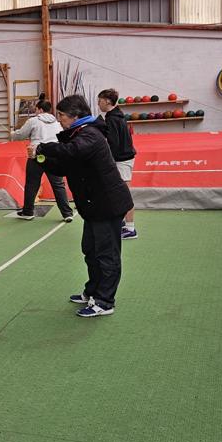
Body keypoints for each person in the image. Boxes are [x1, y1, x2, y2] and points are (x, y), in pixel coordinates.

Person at [33, 95, 133, 317]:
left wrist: (43, 147)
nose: (59, 120)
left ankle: (105, 302)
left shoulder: (90, 134)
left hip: (107, 205)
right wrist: (41, 158)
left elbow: (72, 152)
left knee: (107, 255)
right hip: (94, 206)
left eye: (61, 115)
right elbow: (64, 167)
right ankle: (93, 292)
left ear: (75, 116)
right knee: (91, 251)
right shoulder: (78, 134)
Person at [11, 99, 73, 222]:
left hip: (37, 154)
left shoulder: (33, 121)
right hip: (54, 154)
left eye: (36, 109)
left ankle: (28, 212)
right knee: (58, 185)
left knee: (32, 184)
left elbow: (20, 135)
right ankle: (67, 213)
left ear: (40, 109)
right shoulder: (57, 122)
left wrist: (13, 133)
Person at [97, 89, 138, 239]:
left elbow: (113, 144)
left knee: (124, 194)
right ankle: (121, 222)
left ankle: (130, 228)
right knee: (117, 193)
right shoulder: (116, 115)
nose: (98, 104)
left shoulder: (112, 119)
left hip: (123, 160)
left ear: (107, 101)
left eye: (100, 101)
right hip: (123, 158)